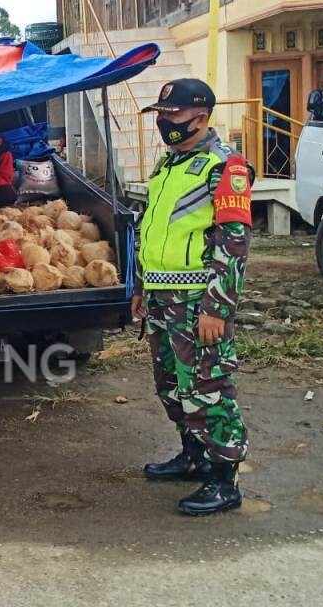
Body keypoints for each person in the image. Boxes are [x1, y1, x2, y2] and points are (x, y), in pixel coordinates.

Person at [132, 79, 252, 516]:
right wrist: (143, 288)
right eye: (162, 114)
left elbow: (233, 242)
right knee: (171, 385)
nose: (165, 122)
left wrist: (217, 307)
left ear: (201, 118)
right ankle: (193, 455)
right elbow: (154, 232)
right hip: (163, 297)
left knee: (208, 388)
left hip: (198, 299)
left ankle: (224, 479)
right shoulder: (168, 166)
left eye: (174, 114)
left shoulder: (225, 167)